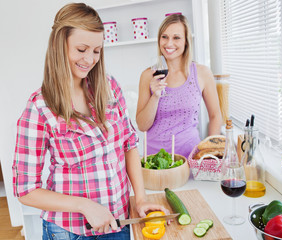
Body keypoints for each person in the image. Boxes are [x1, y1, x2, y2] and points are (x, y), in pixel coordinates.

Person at [12, 3, 168, 240]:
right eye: (82, 49)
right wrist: (84, 205)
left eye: (97, 50)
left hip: (120, 223)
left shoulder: (109, 88)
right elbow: (25, 191)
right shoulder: (39, 108)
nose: (90, 59)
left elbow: (128, 145)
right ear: (59, 46)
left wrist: (141, 198)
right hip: (69, 232)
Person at [136, 14, 222, 159]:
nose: (169, 43)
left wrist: (211, 152)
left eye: (176, 37)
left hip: (191, 158)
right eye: (164, 37)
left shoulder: (202, 73)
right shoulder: (147, 75)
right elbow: (142, 126)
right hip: (155, 160)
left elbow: (215, 115)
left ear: (186, 41)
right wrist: (155, 96)